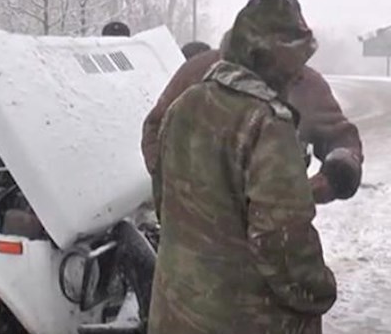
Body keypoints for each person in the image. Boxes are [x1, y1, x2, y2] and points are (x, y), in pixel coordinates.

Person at [144, 0, 338, 334]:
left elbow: (167, 204)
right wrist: (318, 290)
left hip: (186, 326)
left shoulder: (185, 106)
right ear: (275, 59)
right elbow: (282, 242)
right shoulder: (267, 125)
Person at [142, 33, 363, 206]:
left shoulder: (304, 84)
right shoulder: (199, 71)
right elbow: (155, 127)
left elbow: (340, 138)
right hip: (199, 230)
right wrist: (173, 183)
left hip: (275, 223)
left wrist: (333, 177)